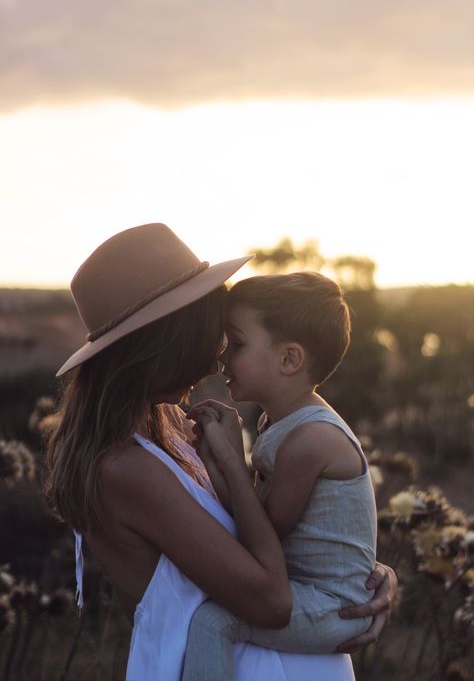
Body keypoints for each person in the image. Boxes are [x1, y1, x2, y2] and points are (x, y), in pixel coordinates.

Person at [45, 224, 396, 681]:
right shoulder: (125, 468)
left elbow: (258, 540)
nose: (217, 361)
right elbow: (270, 599)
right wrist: (233, 464)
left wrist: (356, 573)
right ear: (165, 342)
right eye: (211, 338)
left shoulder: (167, 426)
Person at [182, 271, 379, 681]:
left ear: (289, 359)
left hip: (334, 606)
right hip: (306, 592)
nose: (221, 358)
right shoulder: (278, 422)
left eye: (236, 344)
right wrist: (215, 460)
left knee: (211, 621)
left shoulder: (309, 440)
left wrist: (232, 462)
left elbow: (262, 537)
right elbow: (250, 512)